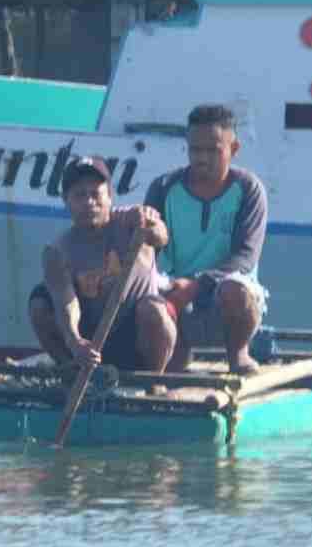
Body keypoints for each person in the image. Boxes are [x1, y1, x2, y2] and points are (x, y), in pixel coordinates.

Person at [144, 104, 269, 375]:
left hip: (223, 296)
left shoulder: (249, 189)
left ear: (234, 150)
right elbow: (145, 254)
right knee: (144, 301)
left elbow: (245, 258)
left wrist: (197, 284)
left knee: (236, 290)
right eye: (195, 150)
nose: (202, 158)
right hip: (175, 293)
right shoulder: (163, 188)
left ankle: (238, 356)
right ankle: (171, 359)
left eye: (213, 150)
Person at [28, 155, 177, 373]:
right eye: (80, 196)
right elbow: (66, 302)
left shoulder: (132, 221)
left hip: (135, 334)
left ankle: (154, 380)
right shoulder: (57, 251)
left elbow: (161, 237)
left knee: (153, 309)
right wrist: (74, 340)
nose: (89, 202)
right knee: (39, 303)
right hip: (93, 341)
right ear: (66, 201)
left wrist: (151, 224)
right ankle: (69, 371)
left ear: (110, 196)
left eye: (95, 194)